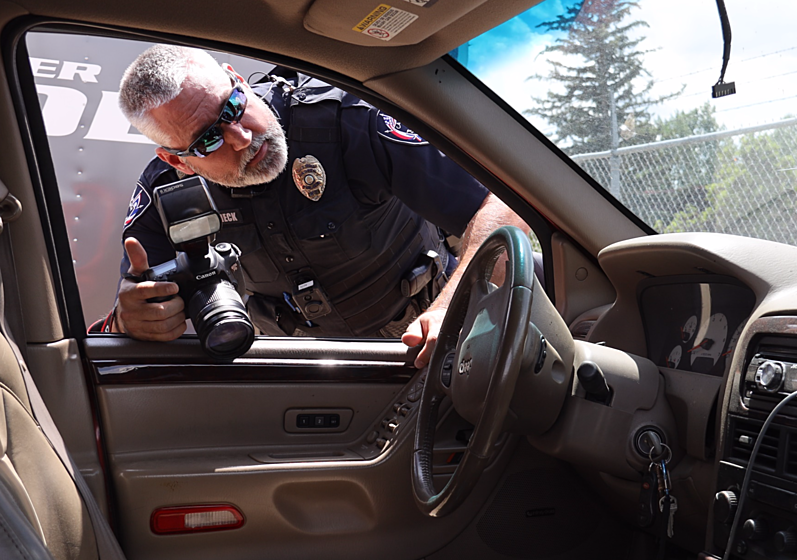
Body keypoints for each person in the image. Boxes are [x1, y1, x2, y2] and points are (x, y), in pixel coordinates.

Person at [92, 44, 527, 368]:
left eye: (234, 107)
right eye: (208, 140)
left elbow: (499, 207)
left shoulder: (347, 119)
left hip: (430, 335)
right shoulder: (164, 190)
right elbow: (139, 303)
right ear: (176, 160)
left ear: (235, 78)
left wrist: (457, 304)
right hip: (298, 362)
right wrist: (133, 321)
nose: (242, 137)